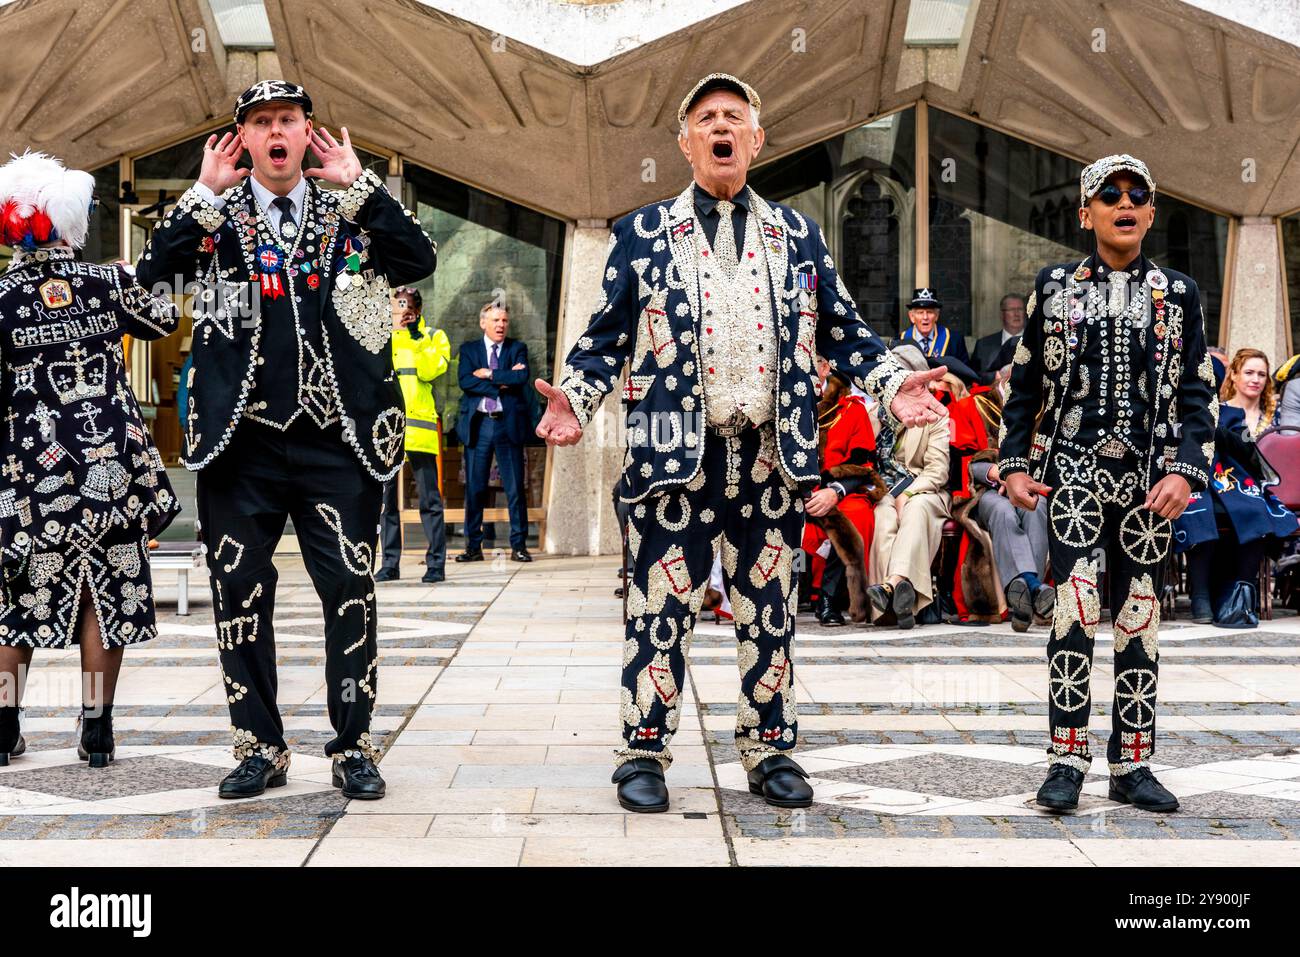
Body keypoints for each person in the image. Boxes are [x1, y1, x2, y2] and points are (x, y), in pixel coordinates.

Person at [532, 72, 946, 813]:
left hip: (769, 456)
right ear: (686, 142)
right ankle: (644, 752)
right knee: (659, 608)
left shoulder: (797, 235)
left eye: (735, 117)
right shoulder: (643, 232)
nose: (721, 126)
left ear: (755, 139)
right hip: (671, 458)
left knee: (770, 611)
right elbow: (604, 339)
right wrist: (578, 397)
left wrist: (890, 384)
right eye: (706, 117)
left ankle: (770, 749)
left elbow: (846, 331)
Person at [136, 80, 437, 800]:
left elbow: (418, 259)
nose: (277, 131)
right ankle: (259, 744)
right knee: (239, 590)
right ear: (243, 137)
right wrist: (201, 194)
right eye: (262, 122)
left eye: (288, 120)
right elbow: (151, 283)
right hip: (241, 446)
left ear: (308, 132)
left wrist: (361, 185)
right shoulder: (213, 219)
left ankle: (353, 744)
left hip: (339, 440)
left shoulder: (349, 212)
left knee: (350, 589)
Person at [1000, 154, 1217, 814]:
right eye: (1109, 193)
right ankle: (1067, 759)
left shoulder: (1179, 294)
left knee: (1139, 621)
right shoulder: (1055, 285)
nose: (1125, 203)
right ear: (1085, 211)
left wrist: (1187, 468)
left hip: (1149, 489)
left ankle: (1133, 763)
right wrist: (1011, 463)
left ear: (1151, 212)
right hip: (1072, 482)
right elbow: (1026, 385)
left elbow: (1198, 396)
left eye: (1138, 195)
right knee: (1073, 615)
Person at [0, 151, 180, 767]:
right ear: (70, 226)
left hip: (33, 469)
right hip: (112, 466)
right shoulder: (105, 284)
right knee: (112, 587)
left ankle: (3, 724)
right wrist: (132, 273)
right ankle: (96, 727)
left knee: (22, 592)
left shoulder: (1, 297)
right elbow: (165, 317)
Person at [1176, 348, 1298, 625]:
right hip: (1218, 481)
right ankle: (1203, 596)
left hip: (1262, 485)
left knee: (1253, 506)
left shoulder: (1277, 415)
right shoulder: (1216, 411)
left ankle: (1241, 593)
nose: (1255, 379)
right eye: (1249, 373)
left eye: (1261, 374)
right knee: (1203, 506)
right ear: (1234, 375)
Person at [864, 344, 952, 629]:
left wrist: (909, 492)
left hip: (924, 489)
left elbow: (937, 471)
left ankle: (891, 587)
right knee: (883, 517)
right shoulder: (872, 414)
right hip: (884, 490)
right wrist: (890, 495)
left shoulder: (936, 415)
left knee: (915, 510)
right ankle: (894, 607)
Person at [376, 286, 450, 583]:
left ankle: (436, 565)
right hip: (388, 431)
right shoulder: (383, 338)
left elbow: (430, 371)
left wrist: (416, 336)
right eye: (396, 307)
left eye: (405, 307)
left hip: (419, 429)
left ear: (417, 310)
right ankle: (389, 564)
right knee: (386, 503)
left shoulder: (434, 336)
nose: (400, 312)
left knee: (429, 501)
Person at [802, 357, 884, 626]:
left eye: (814, 362)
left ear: (825, 369)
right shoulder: (784, 403)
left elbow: (862, 464)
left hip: (839, 490)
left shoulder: (850, 409)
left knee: (856, 516)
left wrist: (835, 491)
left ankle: (828, 599)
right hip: (793, 489)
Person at [455, 301, 534, 563]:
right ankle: (473, 547)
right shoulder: (469, 350)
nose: (501, 325)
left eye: (504, 321)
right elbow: (465, 381)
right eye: (496, 320)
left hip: (507, 425)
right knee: (475, 489)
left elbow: (520, 379)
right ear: (483, 323)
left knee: (514, 490)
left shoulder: (517, 348)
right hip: (480, 425)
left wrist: (488, 373)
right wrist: (499, 382)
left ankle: (519, 546)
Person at [898, 287, 970, 363]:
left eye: (929, 312)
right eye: (920, 313)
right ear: (912, 317)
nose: (925, 317)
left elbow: (965, 373)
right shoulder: (899, 341)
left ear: (936, 316)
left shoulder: (955, 341)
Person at [971, 293, 1026, 374]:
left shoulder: (1037, 342)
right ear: (1002, 314)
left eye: (1020, 309)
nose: (1016, 314)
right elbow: (975, 377)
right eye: (1011, 309)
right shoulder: (983, 345)